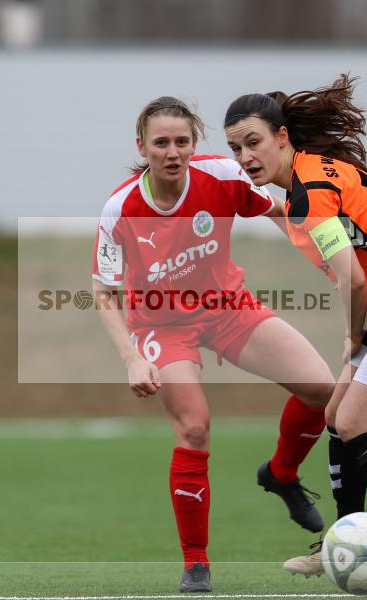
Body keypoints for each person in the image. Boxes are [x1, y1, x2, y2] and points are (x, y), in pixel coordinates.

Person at [92, 96, 337, 593]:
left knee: (323, 390)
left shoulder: (222, 175)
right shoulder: (121, 208)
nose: (172, 152)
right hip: (162, 328)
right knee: (195, 429)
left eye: (182, 141)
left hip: (228, 307)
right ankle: (196, 563)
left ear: (194, 144)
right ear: (142, 146)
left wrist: (328, 261)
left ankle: (281, 473)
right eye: (161, 143)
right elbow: (102, 290)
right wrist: (132, 357)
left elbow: (280, 208)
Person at [224, 80, 367, 596]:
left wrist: (354, 339)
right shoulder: (309, 178)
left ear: (283, 137)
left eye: (253, 143)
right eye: (235, 148)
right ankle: (343, 539)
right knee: (335, 415)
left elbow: (352, 277)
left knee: (354, 420)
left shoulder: (311, 192)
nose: (244, 156)